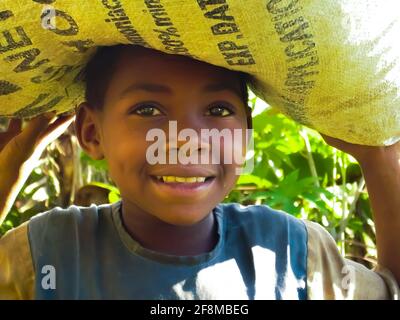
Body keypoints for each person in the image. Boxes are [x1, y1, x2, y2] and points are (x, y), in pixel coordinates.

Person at [0, 45, 399, 300]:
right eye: (148, 110)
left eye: (219, 110)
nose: (188, 139)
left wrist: (377, 160)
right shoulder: (46, 253)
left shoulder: (291, 253)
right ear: (91, 131)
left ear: (246, 134)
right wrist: (13, 161)